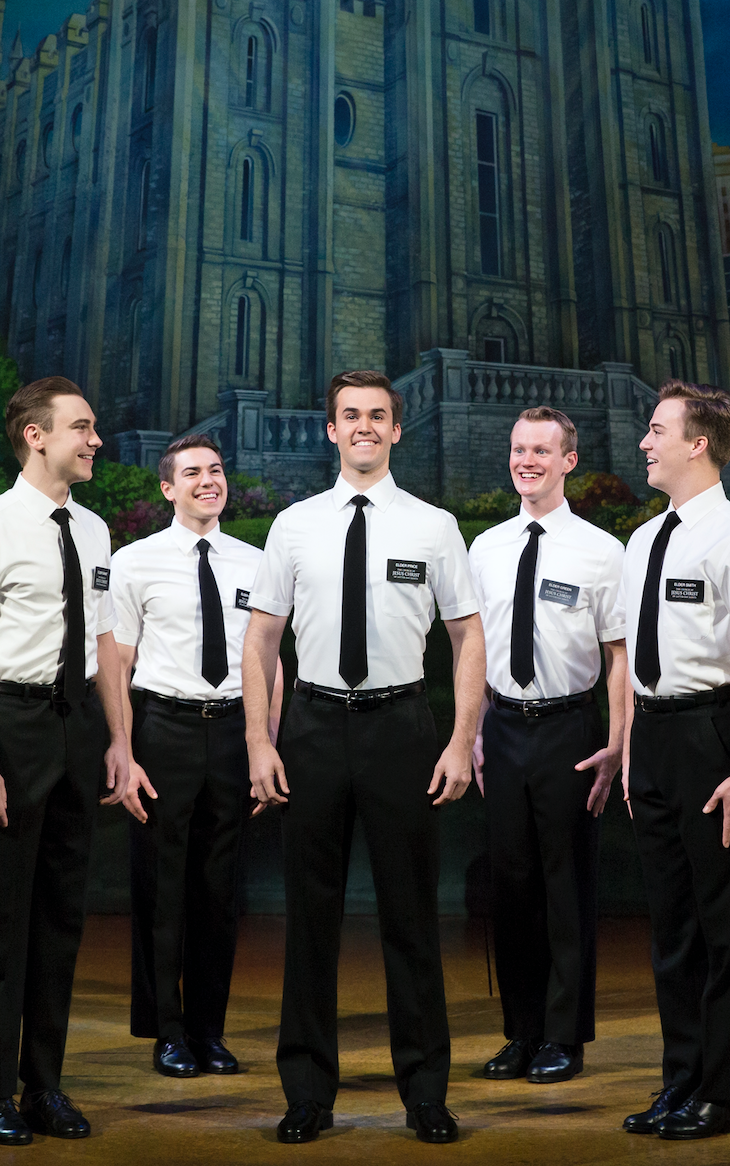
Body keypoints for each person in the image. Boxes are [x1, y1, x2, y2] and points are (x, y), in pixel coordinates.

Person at [242, 371, 485, 1145]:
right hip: (312, 727)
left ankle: (426, 1094)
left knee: (411, 919)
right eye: (350, 415)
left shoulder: (434, 527)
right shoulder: (293, 526)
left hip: (401, 729)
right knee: (309, 919)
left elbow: (468, 638)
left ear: (397, 430)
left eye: (378, 415)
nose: (364, 427)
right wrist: (259, 740)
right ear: (331, 429)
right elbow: (261, 639)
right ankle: (307, 1094)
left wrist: (460, 740)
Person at [0, 377, 151, 1146]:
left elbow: (104, 643)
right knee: (0, 920)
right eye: (82, 428)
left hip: (76, 726)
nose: (96, 441)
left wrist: (118, 740)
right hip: (10, 725)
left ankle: (44, 1085)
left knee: (60, 920)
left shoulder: (93, 530)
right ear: (36, 435)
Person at [617, 380, 730, 1143]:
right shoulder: (644, 541)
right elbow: (630, 658)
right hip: (653, 740)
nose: (644, 443)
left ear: (698, 443)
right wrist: (629, 749)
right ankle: (679, 1081)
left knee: (722, 926)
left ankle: (719, 1094)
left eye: (657, 431)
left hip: (711, 737)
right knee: (673, 927)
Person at [109, 433, 283, 1079]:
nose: (208, 481)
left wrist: (266, 743)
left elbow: (271, 661)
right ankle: (167, 1031)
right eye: (192, 473)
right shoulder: (135, 562)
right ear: (167, 488)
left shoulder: (256, 563)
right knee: (161, 887)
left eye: (215, 470)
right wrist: (123, 749)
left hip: (235, 731)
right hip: (164, 730)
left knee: (219, 888)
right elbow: (117, 663)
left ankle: (209, 1031)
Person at [467, 407, 628, 1087]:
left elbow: (619, 656)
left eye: (540, 450)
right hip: (503, 729)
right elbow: (475, 649)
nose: (526, 461)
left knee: (567, 886)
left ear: (569, 461)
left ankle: (564, 1036)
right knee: (512, 887)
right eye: (518, 449)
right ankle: (522, 1031)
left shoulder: (601, 551)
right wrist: (473, 730)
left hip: (570, 730)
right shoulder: (485, 548)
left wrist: (618, 740)